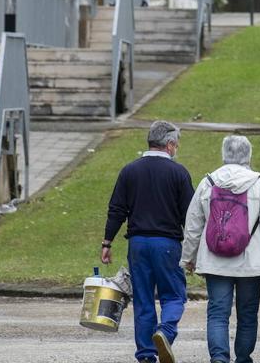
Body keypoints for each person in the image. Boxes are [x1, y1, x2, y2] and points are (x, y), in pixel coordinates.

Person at [181, 135, 260, 363]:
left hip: (215, 260)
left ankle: (219, 358)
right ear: (249, 155)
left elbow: (193, 225)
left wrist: (187, 258)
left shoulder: (208, 182)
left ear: (224, 154)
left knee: (218, 313)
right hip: (251, 262)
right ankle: (243, 358)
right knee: (248, 314)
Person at [102, 120, 194, 363]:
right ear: (170, 144)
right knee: (174, 296)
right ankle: (165, 331)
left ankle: (145, 354)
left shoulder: (129, 171)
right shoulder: (179, 173)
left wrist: (107, 242)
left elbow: (116, 209)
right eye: (177, 144)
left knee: (143, 299)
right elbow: (190, 216)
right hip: (167, 244)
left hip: (138, 243)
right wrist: (194, 250)